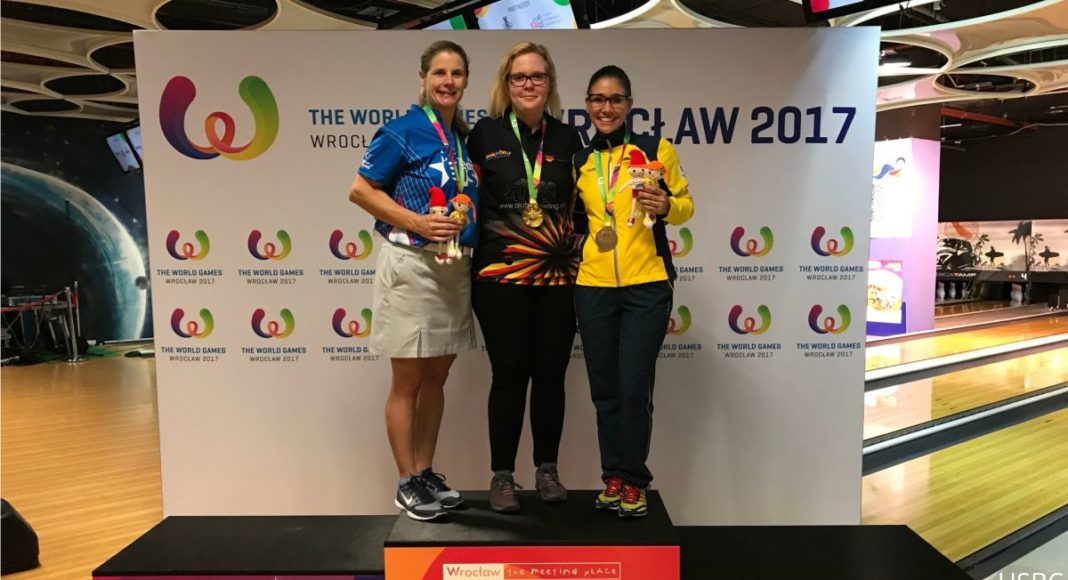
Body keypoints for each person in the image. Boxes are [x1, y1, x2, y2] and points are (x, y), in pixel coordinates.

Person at [348, 40, 479, 522]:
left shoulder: (460, 138)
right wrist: (416, 222)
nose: (448, 81)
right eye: (439, 72)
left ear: (466, 81)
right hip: (411, 264)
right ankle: (406, 481)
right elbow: (360, 190)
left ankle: (425, 472)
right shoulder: (401, 131)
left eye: (457, 73)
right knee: (407, 380)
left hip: (453, 268)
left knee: (437, 375)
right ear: (423, 78)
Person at [466, 42, 584, 513]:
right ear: (506, 83)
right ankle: (502, 475)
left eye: (537, 76)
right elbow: (465, 198)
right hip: (500, 276)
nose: (528, 84)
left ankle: (547, 469)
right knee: (510, 373)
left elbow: (584, 205)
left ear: (550, 83)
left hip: (558, 275)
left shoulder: (569, 138)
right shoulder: (484, 134)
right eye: (519, 77)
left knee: (551, 374)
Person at [572, 65, 694, 518]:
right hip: (593, 286)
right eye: (598, 99)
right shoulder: (580, 160)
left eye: (615, 99)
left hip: (647, 286)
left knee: (633, 387)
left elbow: (685, 205)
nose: (606, 108)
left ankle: (635, 480)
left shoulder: (655, 149)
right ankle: (614, 477)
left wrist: (666, 205)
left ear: (628, 104)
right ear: (587, 105)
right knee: (604, 389)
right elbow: (576, 222)